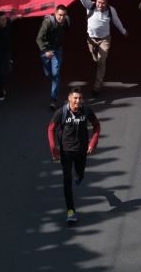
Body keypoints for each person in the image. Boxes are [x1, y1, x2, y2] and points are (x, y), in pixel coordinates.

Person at [47, 87, 101, 224]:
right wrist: (54, 149)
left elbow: (96, 126)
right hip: (66, 152)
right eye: (75, 98)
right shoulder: (61, 112)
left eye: (80, 98)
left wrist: (93, 143)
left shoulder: (86, 111)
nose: (78, 101)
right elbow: (51, 128)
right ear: (69, 98)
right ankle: (70, 211)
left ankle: (79, 175)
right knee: (67, 181)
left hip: (82, 151)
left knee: (80, 173)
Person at [79, 0, 128, 97]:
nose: (100, 5)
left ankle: (97, 87)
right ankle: (96, 57)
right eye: (98, 2)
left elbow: (116, 21)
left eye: (103, 3)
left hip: (105, 39)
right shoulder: (90, 6)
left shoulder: (111, 10)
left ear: (107, 3)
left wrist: (123, 31)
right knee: (95, 58)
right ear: (95, 1)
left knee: (102, 61)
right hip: (91, 40)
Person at [37, 5, 70, 110]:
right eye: (60, 15)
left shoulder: (67, 21)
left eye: (64, 15)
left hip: (57, 50)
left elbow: (66, 30)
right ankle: (47, 69)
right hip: (46, 49)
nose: (61, 17)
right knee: (48, 72)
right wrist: (46, 51)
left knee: (56, 74)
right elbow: (39, 38)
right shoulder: (47, 22)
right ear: (55, 13)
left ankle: (53, 100)